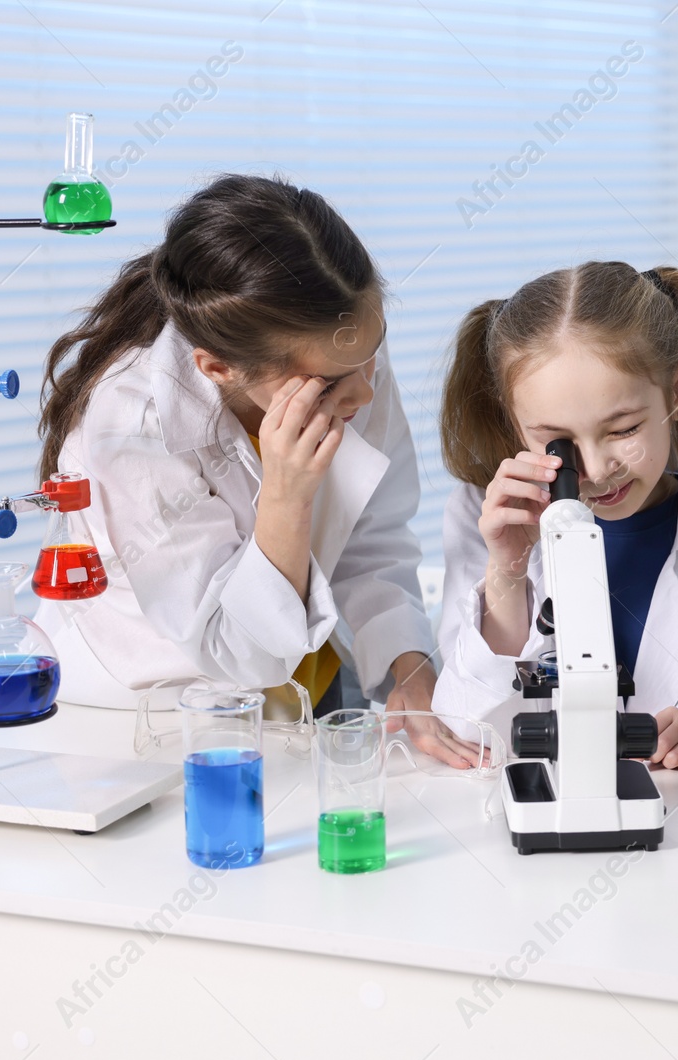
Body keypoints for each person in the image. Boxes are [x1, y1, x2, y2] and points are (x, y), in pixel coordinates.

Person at [34, 173, 476, 767]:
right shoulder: (132, 426)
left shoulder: (341, 349)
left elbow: (369, 540)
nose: (367, 393)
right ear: (217, 367)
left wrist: (410, 666)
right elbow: (238, 652)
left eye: (373, 355)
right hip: (149, 725)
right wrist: (287, 498)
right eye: (333, 382)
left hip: (296, 696)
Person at [432, 261, 678, 772]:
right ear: (514, 421)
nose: (596, 469)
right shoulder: (485, 517)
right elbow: (471, 732)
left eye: (624, 429)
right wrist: (507, 571)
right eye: (557, 441)